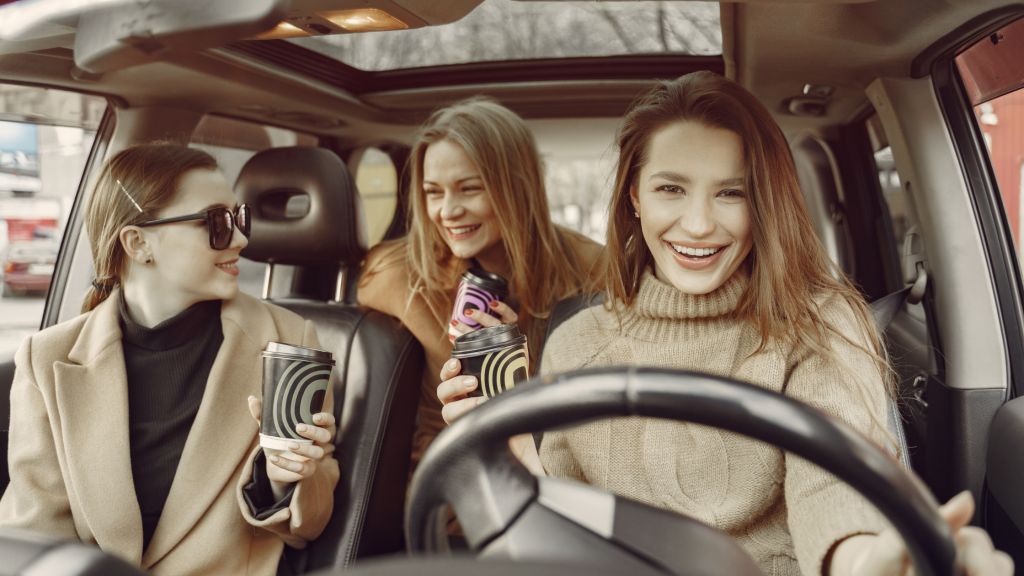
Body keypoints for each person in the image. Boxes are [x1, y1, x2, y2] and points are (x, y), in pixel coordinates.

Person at [437, 72, 1013, 576]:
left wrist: (882, 562)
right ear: (634, 196)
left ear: (762, 202)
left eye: (731, 193)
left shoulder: (819, 327)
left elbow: (836, 503)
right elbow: (565, 539)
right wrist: (516, 465)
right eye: (671, 188)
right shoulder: (575, 343)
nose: (697, 224)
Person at [0, 143, 339, 576]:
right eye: (216, 222)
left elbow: (311, 524)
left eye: (239, 218)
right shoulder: (46, 359)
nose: (240, 238)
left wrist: (280, 479)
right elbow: (36, 531)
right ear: (138, 242)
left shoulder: (288, 341)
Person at [358, 97, 604, 474]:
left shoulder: (594, 272)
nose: (448, 211)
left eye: (469, 188)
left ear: (516, 188)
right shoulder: (402, 275)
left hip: (560, 472)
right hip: (452, 480)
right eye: (433, 192)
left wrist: (524, 369)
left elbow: (603, 423)